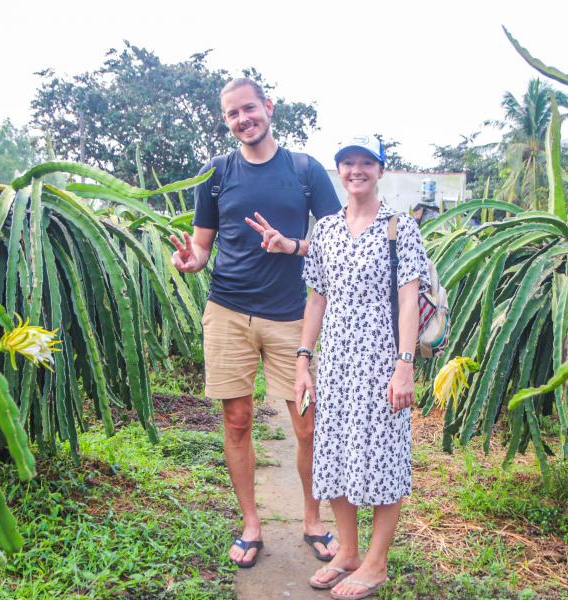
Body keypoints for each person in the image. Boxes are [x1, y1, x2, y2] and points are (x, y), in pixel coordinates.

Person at [169, 77, 342, 569]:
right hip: (227, 312)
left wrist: (293, 245)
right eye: (232, 115)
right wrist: (191, 259)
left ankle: (312, 519)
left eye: (249, 109)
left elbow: (334, 243)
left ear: (268, 107)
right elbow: (203, 245)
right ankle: (251, 524)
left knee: (307, 426)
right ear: (226, 121)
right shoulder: (216, 174)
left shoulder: (306, 171)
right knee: (237, 419)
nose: (243, 120)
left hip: (292, 318)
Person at [295, 134, 429, 599]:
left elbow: (409, 300)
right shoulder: (327, 229)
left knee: (383, 458)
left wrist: (404, 366)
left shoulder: (399, 228)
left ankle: (375, 563)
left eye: (365, 163)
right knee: (333, 454)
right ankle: (347, 551)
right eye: (348, 163)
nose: (356, 170)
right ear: (339, 171)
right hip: (334, 363)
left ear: (380, 170)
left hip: (381, 364)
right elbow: (316, 298)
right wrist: (303, 360)